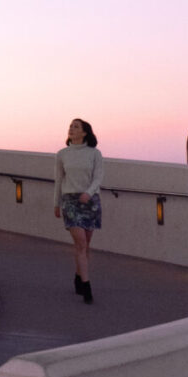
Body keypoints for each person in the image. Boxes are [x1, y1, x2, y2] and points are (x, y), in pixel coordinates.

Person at [54, 117, 104, 303]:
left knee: (85, 246)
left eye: (76, 127)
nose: (71, 129)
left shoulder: (94, 154)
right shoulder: (62, 154)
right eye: (70, 127)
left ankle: (78, 277)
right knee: (81, 243)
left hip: (90, 202)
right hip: (70, 202)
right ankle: (87, 286)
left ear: (84, 132)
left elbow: (98, 177)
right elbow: (58, 180)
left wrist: (89, 193)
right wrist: (56, 203)